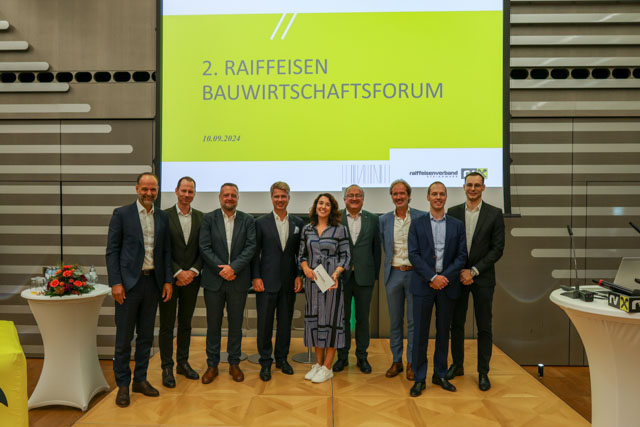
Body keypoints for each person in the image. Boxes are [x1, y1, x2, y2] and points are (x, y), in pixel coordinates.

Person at [106, 172, 173, 408]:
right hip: (127, 286)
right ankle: (123, 385)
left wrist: (167, 281)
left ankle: (140, 380)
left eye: (153, 189)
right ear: (137, 189)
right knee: (124, 339)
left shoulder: (162, 217)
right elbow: (112, 251)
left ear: (157, 191)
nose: (149, 193)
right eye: (145, 189)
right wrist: (116, 283)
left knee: (146, 336)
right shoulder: (121, 214)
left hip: (152, 284)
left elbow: (166, 252)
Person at [446, 172, 505, 391]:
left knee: (484, 326)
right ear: (464, 187)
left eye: (477, 185)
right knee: (456, 324)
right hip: (458, 278)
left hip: (483, 278)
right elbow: (449, 246)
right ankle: (457, 365)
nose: (473, 188)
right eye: (469, 185)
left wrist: (473, 271)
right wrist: (460, 271)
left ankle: (483, 372)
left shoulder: (494, 214)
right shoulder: (453, 212)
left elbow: (497, 249)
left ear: (483, 188)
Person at [408, 181, 466, 397]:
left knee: (443, 332)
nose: (438, 197)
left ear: (446, 197)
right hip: (424, 285)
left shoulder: (457, 225)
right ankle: (419, 378)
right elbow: (414, 255)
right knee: (420, 334)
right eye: (434, 194)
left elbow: (461, 256)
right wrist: (432, 277)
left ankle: (440, 374)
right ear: (428, 197)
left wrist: (444, 278)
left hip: (447, 286)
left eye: (442, 194)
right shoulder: (417, 224)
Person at [199, 183, 256, 384]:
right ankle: (212, 365)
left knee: (235, 325)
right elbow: (204, 247)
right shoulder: (208, 219)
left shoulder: (248, 220)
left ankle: (234, 363)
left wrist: (233, 268)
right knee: (213, 325)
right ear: (220, 197)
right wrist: (222, 269)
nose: (229, 198)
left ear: (237, 198)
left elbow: (251, 247)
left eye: (233, 195)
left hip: (238, 280)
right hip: (214, 281)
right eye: (226, 195)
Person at [251, 181, 304, 381]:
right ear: (271, 198)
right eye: (276, 196)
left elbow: (300, 254)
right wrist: (256, 277)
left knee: (285, 323)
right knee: (264, 324)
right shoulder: (260, 222)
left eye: (283, 196)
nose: (280, 200)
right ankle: (265, 361)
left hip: (289, 282)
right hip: (266, 281)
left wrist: (298, 275)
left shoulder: (298, 223)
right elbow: (255, 253)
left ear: (289, 198)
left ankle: (282, 359)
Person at [299, 193, 351, 383]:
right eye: (320, 203)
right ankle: (319, 364)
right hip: (312, 283)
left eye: (327, 204)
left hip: (331, 283)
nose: (323, 207)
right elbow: (301, 255)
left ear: (332, 209)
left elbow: (346, 256)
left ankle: (328, 367)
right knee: (315, 322)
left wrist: (336, 273)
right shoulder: (307, 229)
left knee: (332, 321)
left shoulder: (340, 229)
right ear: (315, 206)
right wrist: (305, 268)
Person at [379, 179, 426, 380]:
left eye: (402, 193)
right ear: (392, 197)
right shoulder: (383, 220)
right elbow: (384, 246)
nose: (399, 197)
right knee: (395, 321)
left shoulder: (421, 217)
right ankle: (396, 360)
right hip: (394, 274)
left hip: (416, 275)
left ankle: (412, 362)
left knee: (414, 322)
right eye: (395, 194)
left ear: (409, 195)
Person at [159, 176, 203, 388]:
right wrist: (178, 272)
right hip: (169, 280)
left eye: (190, 191)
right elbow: (160, 249)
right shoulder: (163, 216)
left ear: (194, 194)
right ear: (176, 191)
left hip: (192, 280)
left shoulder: (202, 218)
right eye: (183, 191)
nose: (187, 195)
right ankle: (167, 367)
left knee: (186, 323)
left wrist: (192, 272)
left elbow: (204, 248)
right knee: (167, 325)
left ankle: (182, 363)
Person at [333, 185, 381, 374]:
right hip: (341, 277)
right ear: (344, 199)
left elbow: (376, 250)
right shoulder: (335, 218)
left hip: (365, 277)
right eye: (350, 195)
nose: (354, 198)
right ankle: (342, 357)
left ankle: (362, 356)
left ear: (363, 198)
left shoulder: (373, 219)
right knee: (342, 319)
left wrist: (374, 275)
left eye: (358, 195)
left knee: (362, 319)